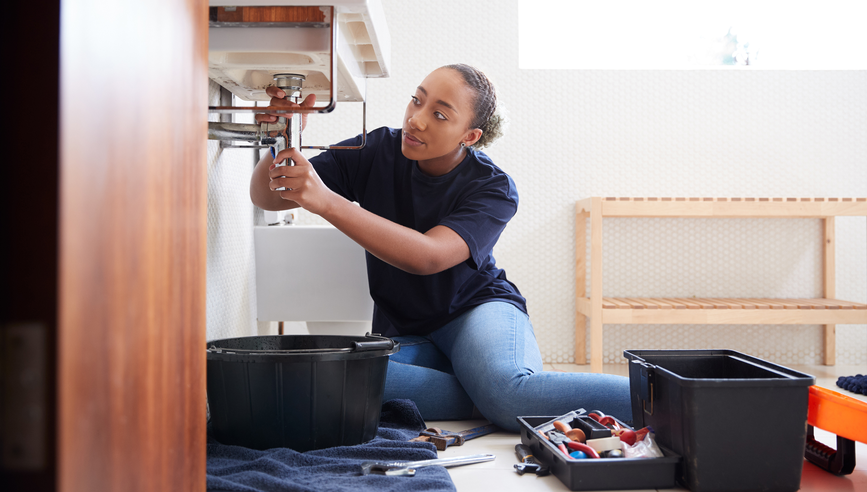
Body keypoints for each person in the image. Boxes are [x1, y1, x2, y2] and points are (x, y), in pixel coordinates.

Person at [250, 64, 631, 432]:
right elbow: (270, 196)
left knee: (510, 394)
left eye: (440, 115)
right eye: (417, 101)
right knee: (335, 379)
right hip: (405, 327)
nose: (416, 119)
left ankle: (663, 393)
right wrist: (282, 134)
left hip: (476, 310)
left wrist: (329, 203)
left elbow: (427, 256)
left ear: (470, 136)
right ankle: (483, 394)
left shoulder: (494, 187)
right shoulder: (377, 149)